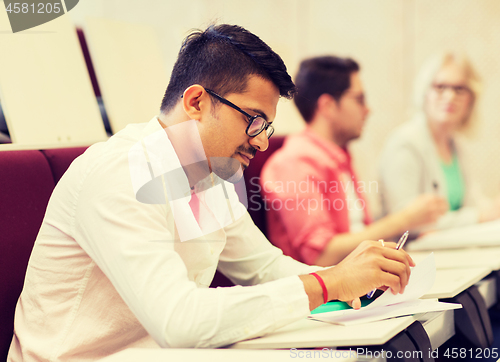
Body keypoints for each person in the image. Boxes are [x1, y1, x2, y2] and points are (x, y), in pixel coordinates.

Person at [8, 25, 414, 361]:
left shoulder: (205, 178)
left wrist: (350, 281)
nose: (262, 142)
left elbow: (266, 269)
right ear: (197, 101)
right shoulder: (123, 173)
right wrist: (329, 284)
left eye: (267, 126)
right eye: (254, 120)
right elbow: (179, 320)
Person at [260, 56, 447, 266]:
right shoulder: (292, 164)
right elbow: (322, 256)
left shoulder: (339, 156)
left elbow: (357, 233)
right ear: (328, 106)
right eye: (359, 100)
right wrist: (404, 219)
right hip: (327, 293)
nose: (368, 110)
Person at [378, 51, 500, 231]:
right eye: (440, 87)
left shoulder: (456, 145)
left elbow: (473, 204)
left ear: (471, 99)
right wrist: (478, 216)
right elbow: (406, 224)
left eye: (459, 89)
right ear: (424, 92)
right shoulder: (404, 144)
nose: (450, 96)